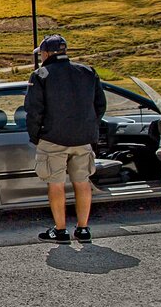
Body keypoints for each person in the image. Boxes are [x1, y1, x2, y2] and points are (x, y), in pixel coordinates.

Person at [24, 34, 107, 243]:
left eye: (41, 53)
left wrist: (36, 136)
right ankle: (83, 229)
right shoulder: (88, 72)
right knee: (82, 182)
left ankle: (60, 231)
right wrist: (89, 128)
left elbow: (33, 110)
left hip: (53, 139)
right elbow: (100, 105)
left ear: (46, 53)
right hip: (83, 139)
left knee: (56, 184)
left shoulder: (41, 75)